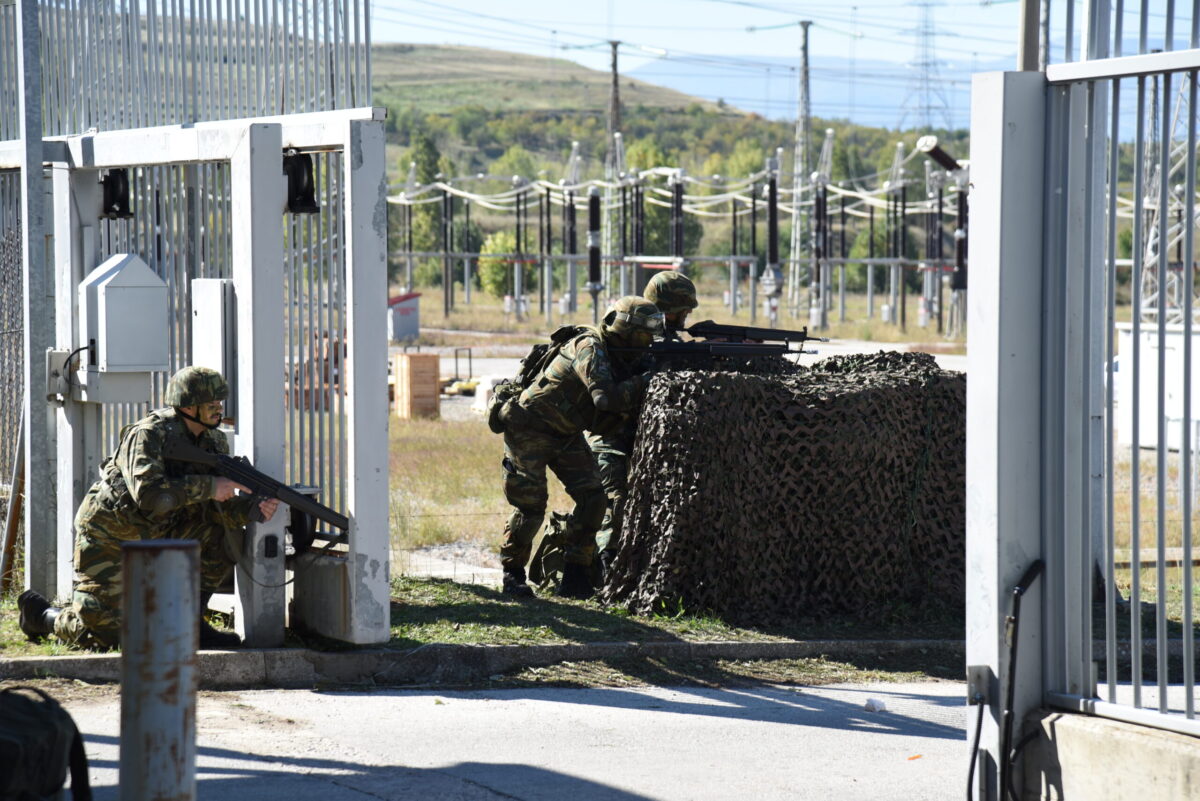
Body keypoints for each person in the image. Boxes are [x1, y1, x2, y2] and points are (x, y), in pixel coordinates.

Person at [17, 366, 279, 650]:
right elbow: (150, 495)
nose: (219, 410)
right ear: (189, 406)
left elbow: (211, 508)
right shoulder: (148, 435)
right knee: (108, 637)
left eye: (220, 403)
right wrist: (210, 486)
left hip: (165, 528)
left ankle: (190, 623)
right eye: (212, 404)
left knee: (218, 534)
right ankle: (43, 617)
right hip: (112, 534)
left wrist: (250, 509)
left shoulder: (213, 440)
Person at [498, 296, 662, 600]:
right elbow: (605, 399)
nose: (647, 341)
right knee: (531, 507)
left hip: (566, 434)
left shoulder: (621, 355)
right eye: (642, 334)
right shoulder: (590, 346)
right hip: (529, 428)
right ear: (622, 329)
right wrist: (644, 382)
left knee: (594, 499)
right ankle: (513, 576)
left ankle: (575, 576)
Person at [586, 272, 699, 578]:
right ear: (663, 309)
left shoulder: (670, 345)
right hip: (611, 436)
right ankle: (604, 567)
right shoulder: (627, 340)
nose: (685, 317)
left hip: (647, 439)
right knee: (615, 501)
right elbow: (607, 395)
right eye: (680, 311)